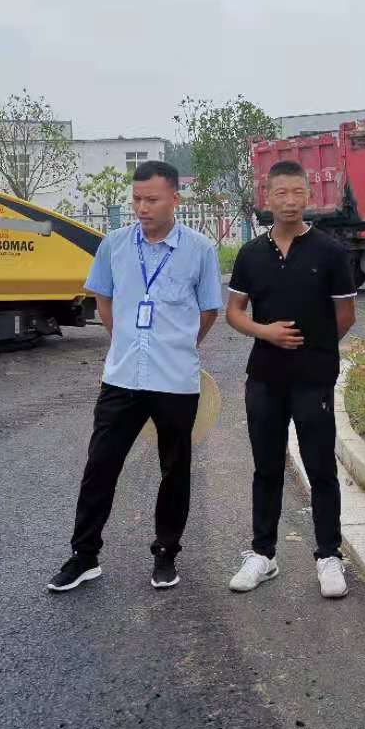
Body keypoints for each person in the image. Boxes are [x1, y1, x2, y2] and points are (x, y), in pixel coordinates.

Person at [48, 160, 223, 593]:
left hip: (175, 380)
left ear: (175, 199)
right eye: (137, 200)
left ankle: (166, 553)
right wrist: (125, 339)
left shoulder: (199, 250)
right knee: (100, 465)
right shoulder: (114, 245)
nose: (142, 208)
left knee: (175, 468)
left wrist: (177, 347)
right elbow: (104, 301)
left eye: (152, 199)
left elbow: (208, 311)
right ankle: (84, 555)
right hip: (122, 376)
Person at [225, 160, 357, 598]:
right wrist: (267, 333)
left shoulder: (330, 252)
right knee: (266, 467)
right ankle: (263, 554)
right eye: (280, 193)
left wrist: (315, 348)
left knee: (321, 467)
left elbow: (345, 316)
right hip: (263, 378)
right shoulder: (250, 255)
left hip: (313, 379)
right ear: (267, 198)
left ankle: (328, 556)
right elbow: (234, 313)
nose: (289, 201)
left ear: (308, 196)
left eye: (297, 193)